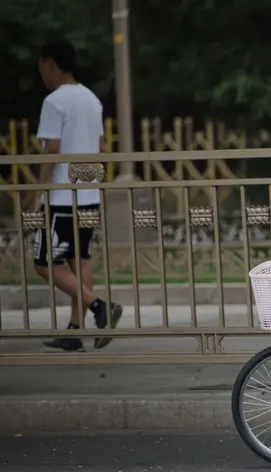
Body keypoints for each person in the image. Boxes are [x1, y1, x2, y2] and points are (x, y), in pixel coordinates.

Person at [33, 39, 123, 353]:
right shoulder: (91, 99)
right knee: (79, 259)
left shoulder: (54, 102)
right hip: (87, 195)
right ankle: (74, 328)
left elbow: (51, 151)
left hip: (59, 197)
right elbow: (100, 147)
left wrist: (38, 194)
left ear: (49, 64)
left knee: (43, 263)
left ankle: (98, 306)